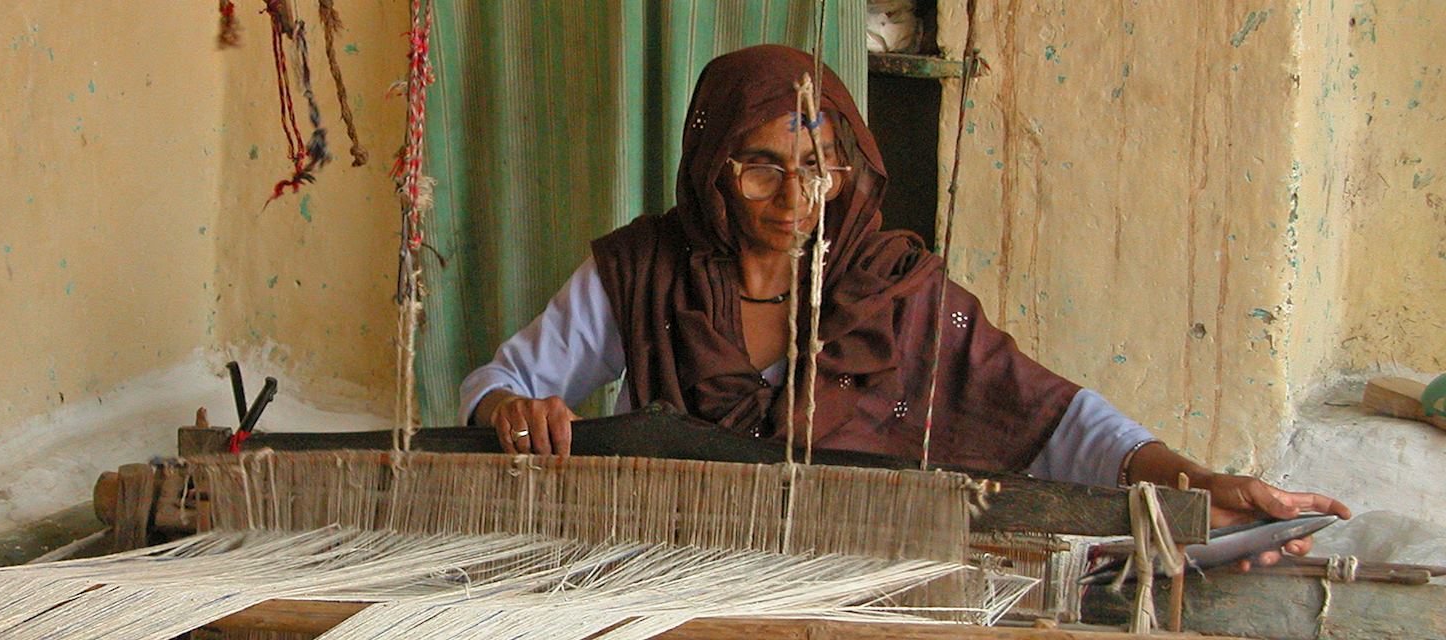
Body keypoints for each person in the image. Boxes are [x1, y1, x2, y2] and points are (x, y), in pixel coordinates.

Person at [460, 45, 1346, 568]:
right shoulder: (644, 272)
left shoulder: (896, 291)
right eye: (759, 163)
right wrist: (511, 409)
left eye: (818, 164)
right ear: (709, 169)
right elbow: (501, 380)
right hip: (673, 572)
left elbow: (1056, 417)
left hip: (856, 577)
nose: (793, 197)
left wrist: (1194, 486)